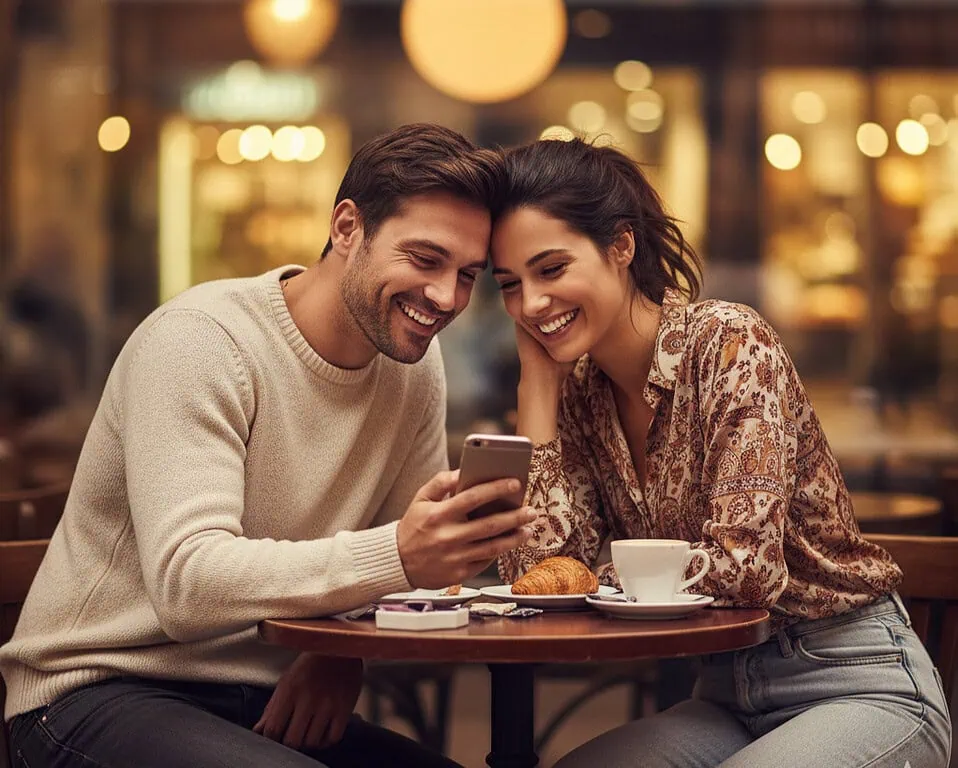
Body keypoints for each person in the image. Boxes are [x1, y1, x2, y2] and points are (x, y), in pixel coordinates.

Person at [1, 124, 538, 768]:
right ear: (347, 228)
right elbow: (188, 585)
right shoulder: (201, 342)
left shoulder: (414, 367)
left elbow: (399, 579)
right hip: (95, 690)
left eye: (468, 275)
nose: (445, 297)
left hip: (261, 697)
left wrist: (337, 654)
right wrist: (399, 555)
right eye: (424, 260)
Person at [492, 137, 952, 768]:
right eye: (509, 285)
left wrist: (597, 582)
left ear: (621, 247)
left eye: (550, 269)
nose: (532, 304)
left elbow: (746, 570)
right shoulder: (579, 393)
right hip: (725, 697)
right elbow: (541, 580)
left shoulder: (729, 345)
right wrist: (536, 393)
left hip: (854, 679)